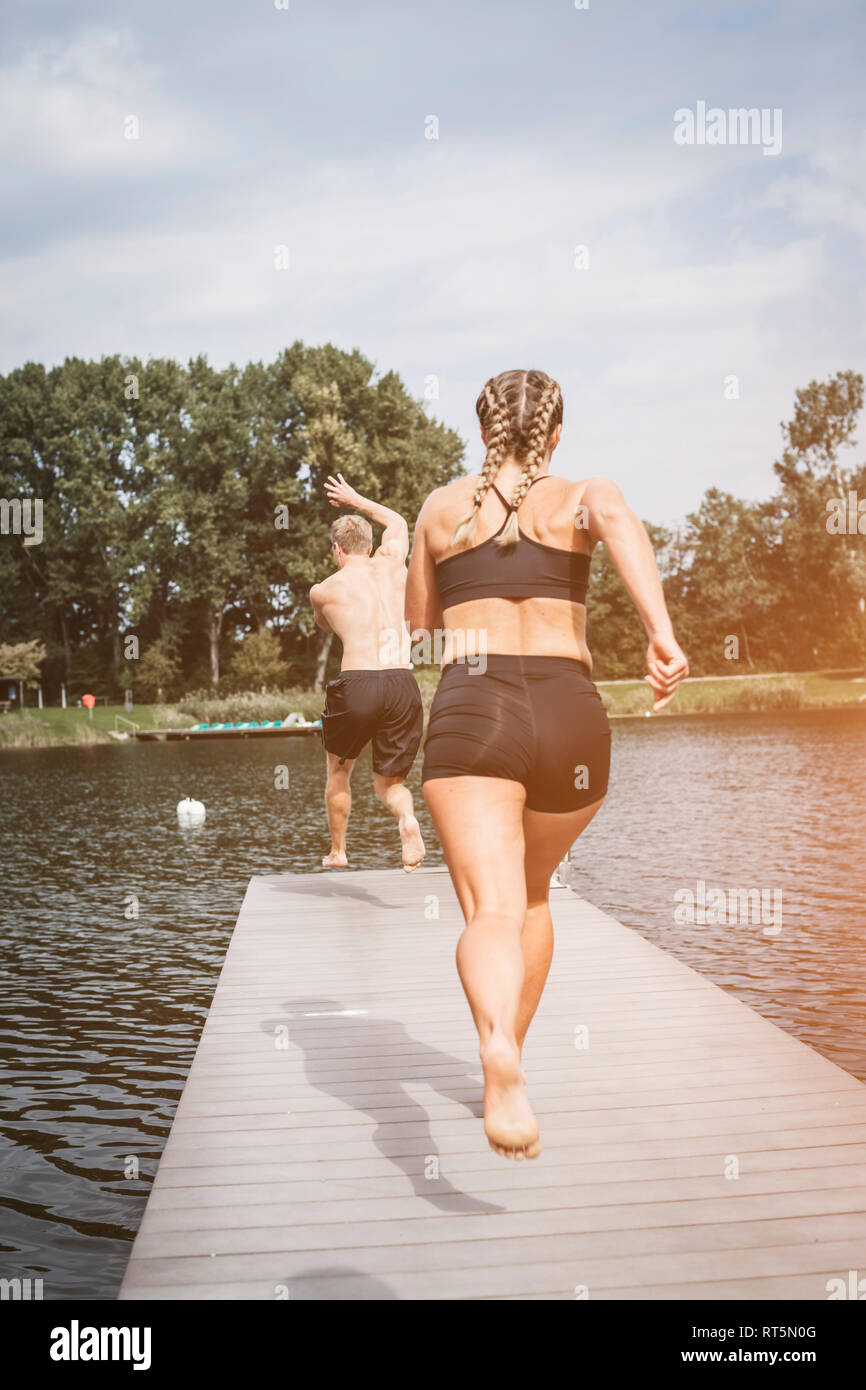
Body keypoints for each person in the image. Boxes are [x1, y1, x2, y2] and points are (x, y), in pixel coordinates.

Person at [406, 369, 689, 1160]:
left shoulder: (438, 509)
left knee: (491, 909)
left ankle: (498, 1051)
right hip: (572, 714)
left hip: (473, 706)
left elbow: (421, 638)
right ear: (556, 434)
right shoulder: (581, 494)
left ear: (483, 430)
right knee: (534, 894)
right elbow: (618, 518)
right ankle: (511, 1055)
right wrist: (658, 631)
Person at [310, 474, 425, 872]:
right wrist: (356, 499)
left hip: (358, 684)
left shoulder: (324, 589)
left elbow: (326, 626)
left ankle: (338, 853)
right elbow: (396, 521)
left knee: (339, 772)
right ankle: (406, 820)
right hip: (401, 682)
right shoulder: (393, 563)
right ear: (371, 544)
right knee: (390, 785)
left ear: (337, 549)